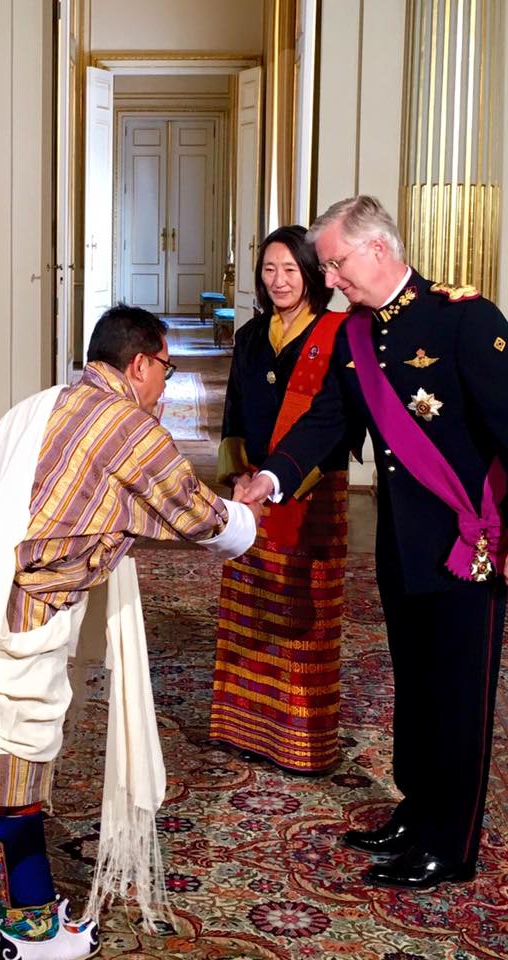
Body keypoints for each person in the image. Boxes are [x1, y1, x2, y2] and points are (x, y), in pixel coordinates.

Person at [0, 304, 260, 959]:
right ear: (141, 363)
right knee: (12, 770)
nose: (163, 388)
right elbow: (190, 511)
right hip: (17, 609)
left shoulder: (46, 402)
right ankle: (31, 930)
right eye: (165, 371)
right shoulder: (126, 425)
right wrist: (246, 517)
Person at [239, 196, 508, 888]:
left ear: (379, 249)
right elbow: (329, 417)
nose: (328, 278)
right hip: (402, 545)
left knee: (459, 696)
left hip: (465, 547)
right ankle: (418, 813)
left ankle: (450, 845)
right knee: (416, 688)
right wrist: (272, 477)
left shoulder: (464, 319)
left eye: (335, 263)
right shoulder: (358, 334)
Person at [211, 225, 357, 774]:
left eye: (290, 270)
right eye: (270, 270)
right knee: (253, 608)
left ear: (313, 275)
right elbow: (235, 410)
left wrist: (286, 477)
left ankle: (300, 739)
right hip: (253, 491)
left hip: (312, 491)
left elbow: (338, 422)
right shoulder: (250, 335)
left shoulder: (338, 335)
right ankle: (245, 726)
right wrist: (235, 479)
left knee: (302, 615)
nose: (279, 280)